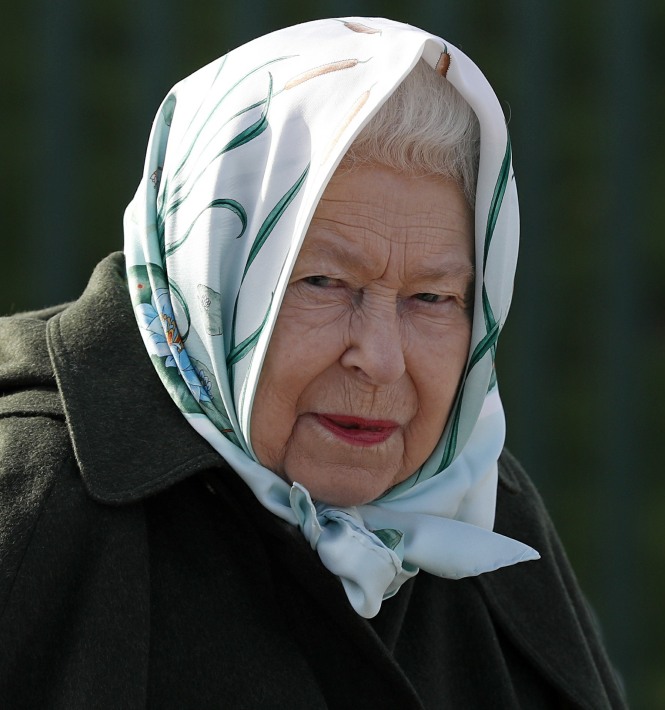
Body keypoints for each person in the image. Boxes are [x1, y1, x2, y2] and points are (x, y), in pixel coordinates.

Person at [0, 17, 625, 708]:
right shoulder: (32, 492)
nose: (381, 361)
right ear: (213, 266)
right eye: (324, 283)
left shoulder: (481, 507)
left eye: (431, 297)